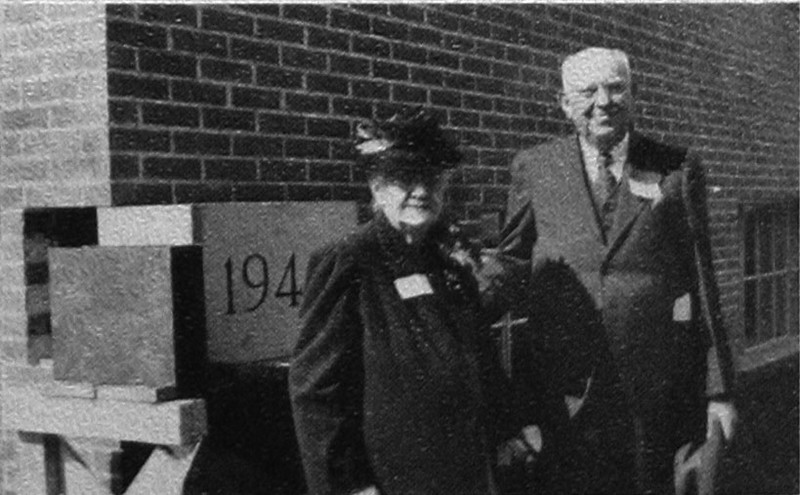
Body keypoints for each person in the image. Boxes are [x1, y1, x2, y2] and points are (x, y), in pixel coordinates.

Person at [489, 47, 738, 494]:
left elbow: (702, 282)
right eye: (587, 91)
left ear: (633, 95)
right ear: (564, 104)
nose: (603, 101)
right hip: (561, 394)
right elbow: (509, 263)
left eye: (616, 87)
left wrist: (717, 392)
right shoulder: (535, 169)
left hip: (653, 394)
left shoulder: (676, 169)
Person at [289, 109, 538, 495]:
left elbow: (478, 354)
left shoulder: (447, 260)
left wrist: (507, 429)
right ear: (376, 187)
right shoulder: (350, 260)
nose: (421, 191)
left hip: (465, 470)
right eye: (405, 179)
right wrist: (348, 485)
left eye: (432, 179)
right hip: (394, 476)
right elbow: (316, 389)